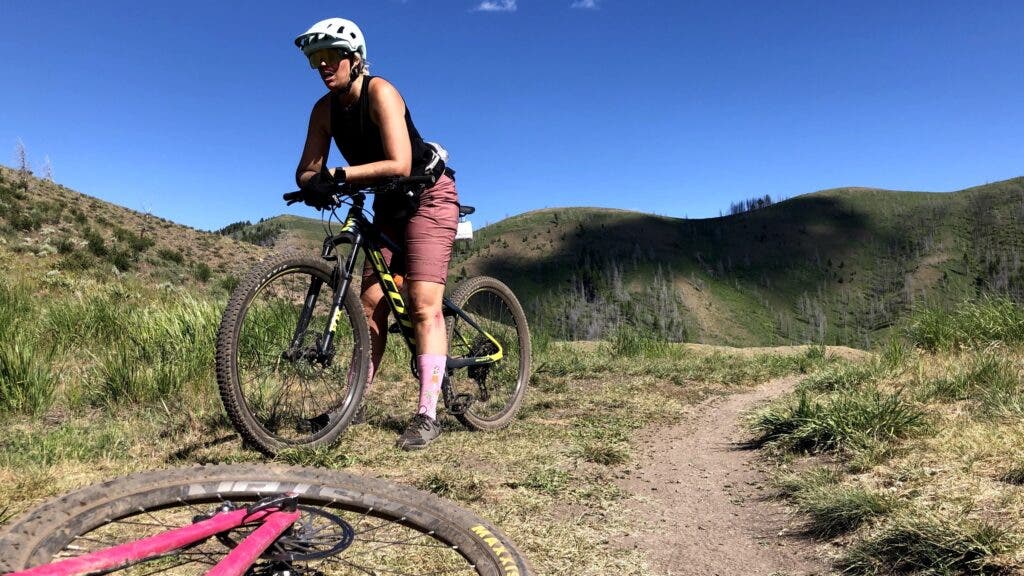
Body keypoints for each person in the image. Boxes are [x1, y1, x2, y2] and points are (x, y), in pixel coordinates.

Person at [293, 17, 459, 450]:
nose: (323, 65)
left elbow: (400, 163)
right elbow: (307, 168)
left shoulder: (380, 92)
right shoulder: (324, 110)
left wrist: (338, 175)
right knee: (369, 306)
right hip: (387, 202)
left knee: (423, 305)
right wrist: (312, 183)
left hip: (428, 195)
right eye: (316, 59)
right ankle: (352, 403)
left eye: (331, 56)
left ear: (354, 59)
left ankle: (427, 415)